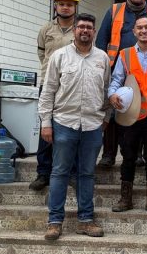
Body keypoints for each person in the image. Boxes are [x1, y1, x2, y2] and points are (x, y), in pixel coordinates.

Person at [37, 13, 111, 242]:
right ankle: (54, 222)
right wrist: (46, 123)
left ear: (94, 31)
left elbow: (107, 91)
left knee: (87, 174)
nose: (85, 31)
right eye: (81, 27)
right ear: (75, 31)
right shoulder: (59, 56)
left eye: (89, 27)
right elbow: (48, 91)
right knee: (59, 172)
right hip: (64, 123)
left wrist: (106, 119)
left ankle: (85, 220)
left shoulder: (103, 58)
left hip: (92, 125)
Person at [96, 0, 147, 167]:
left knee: (139, 108)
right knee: (112, 109)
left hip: (143, 69)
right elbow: (101, 41)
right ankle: (108, 154)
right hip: (116, 66)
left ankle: (137, 154)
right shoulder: (114, 11)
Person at [108, 15, 147, 214]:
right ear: (134, 32)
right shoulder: (124, 55)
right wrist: (112, 94)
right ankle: (125, 198)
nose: (143, 31)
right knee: (128, 156)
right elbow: (116, 80)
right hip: (129, 116)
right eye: (139, 28)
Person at [31, 0, 79, 191]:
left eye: (69, 4)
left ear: (75, 7)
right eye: (62, 4)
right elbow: (42, 54)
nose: (65, 8)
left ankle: (72, 172)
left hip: (73, 87)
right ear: (56, 6)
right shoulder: (46, 30)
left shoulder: (80, 29)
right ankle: (43, 173)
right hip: (49, 85)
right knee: (46, 128)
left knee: (72, 129)